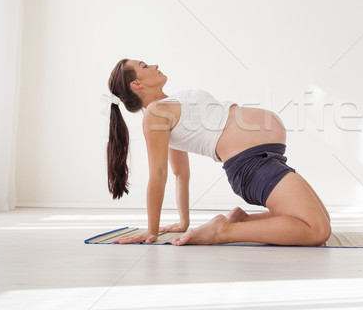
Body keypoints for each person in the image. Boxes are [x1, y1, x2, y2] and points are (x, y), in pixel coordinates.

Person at [104, 59, 331, 246]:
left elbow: (181, 174)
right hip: (251, 165)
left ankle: (241, 221)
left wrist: (184, 222)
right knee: (317, 230)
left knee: (321, 219)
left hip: (269, 160)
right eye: (145, 66)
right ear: (137, 84)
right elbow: (159, 173)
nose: (154, 65)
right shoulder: (154, 114)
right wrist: (151, 230)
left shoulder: (170, 104)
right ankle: (224, 231)